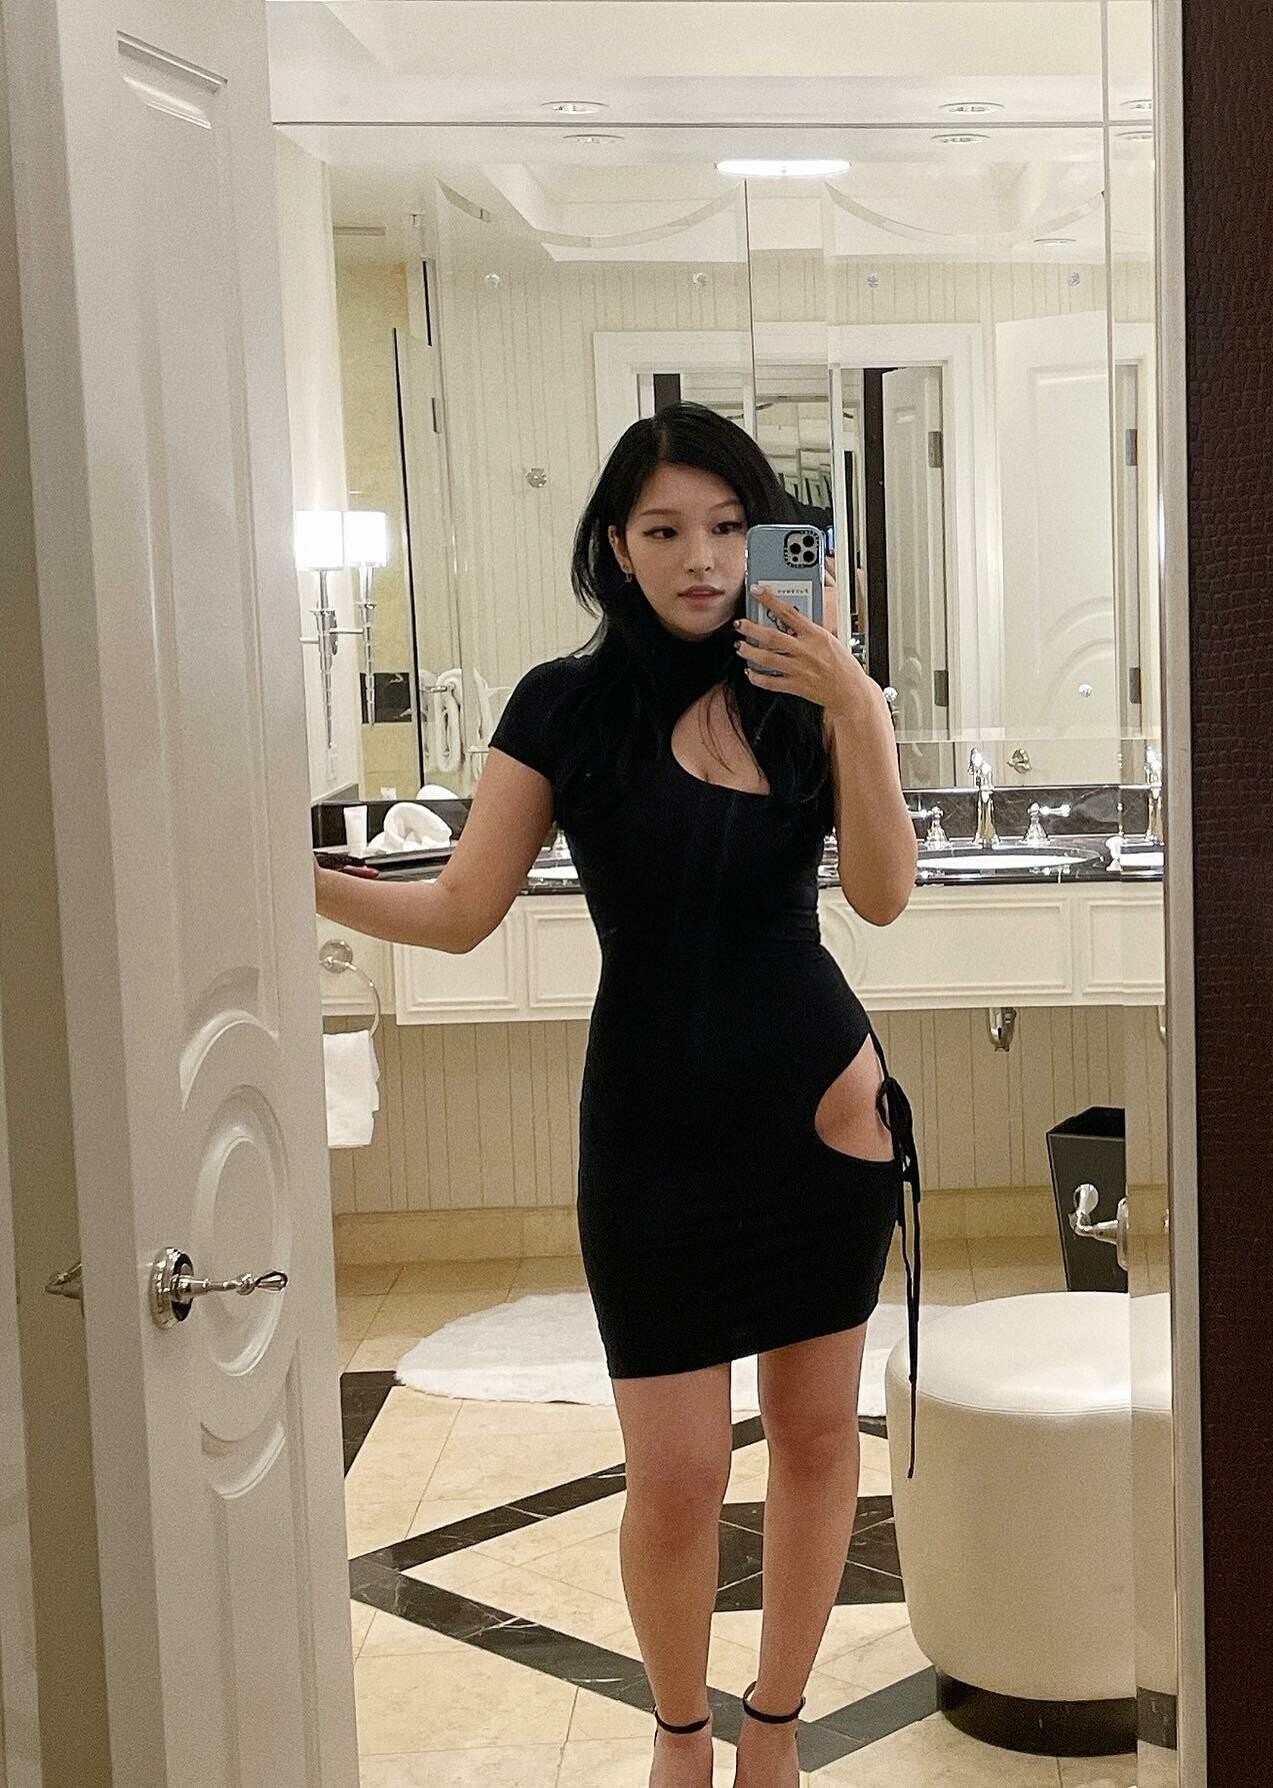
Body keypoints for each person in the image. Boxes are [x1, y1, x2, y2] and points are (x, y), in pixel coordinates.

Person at [316, 402, 922, 1788]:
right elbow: (461, 909)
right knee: (679, 1472)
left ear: (766, 537)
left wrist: (858, 705)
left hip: (823, 1116)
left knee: (820, 1440)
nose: (701, 557)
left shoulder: (809, 696)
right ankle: (681, 1732)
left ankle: (777, 1728)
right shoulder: (564, 706)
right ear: (615, 546)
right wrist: (287, 880)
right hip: (650, 1136)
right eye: (665, 530)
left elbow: (883, 896)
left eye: (728, 526)